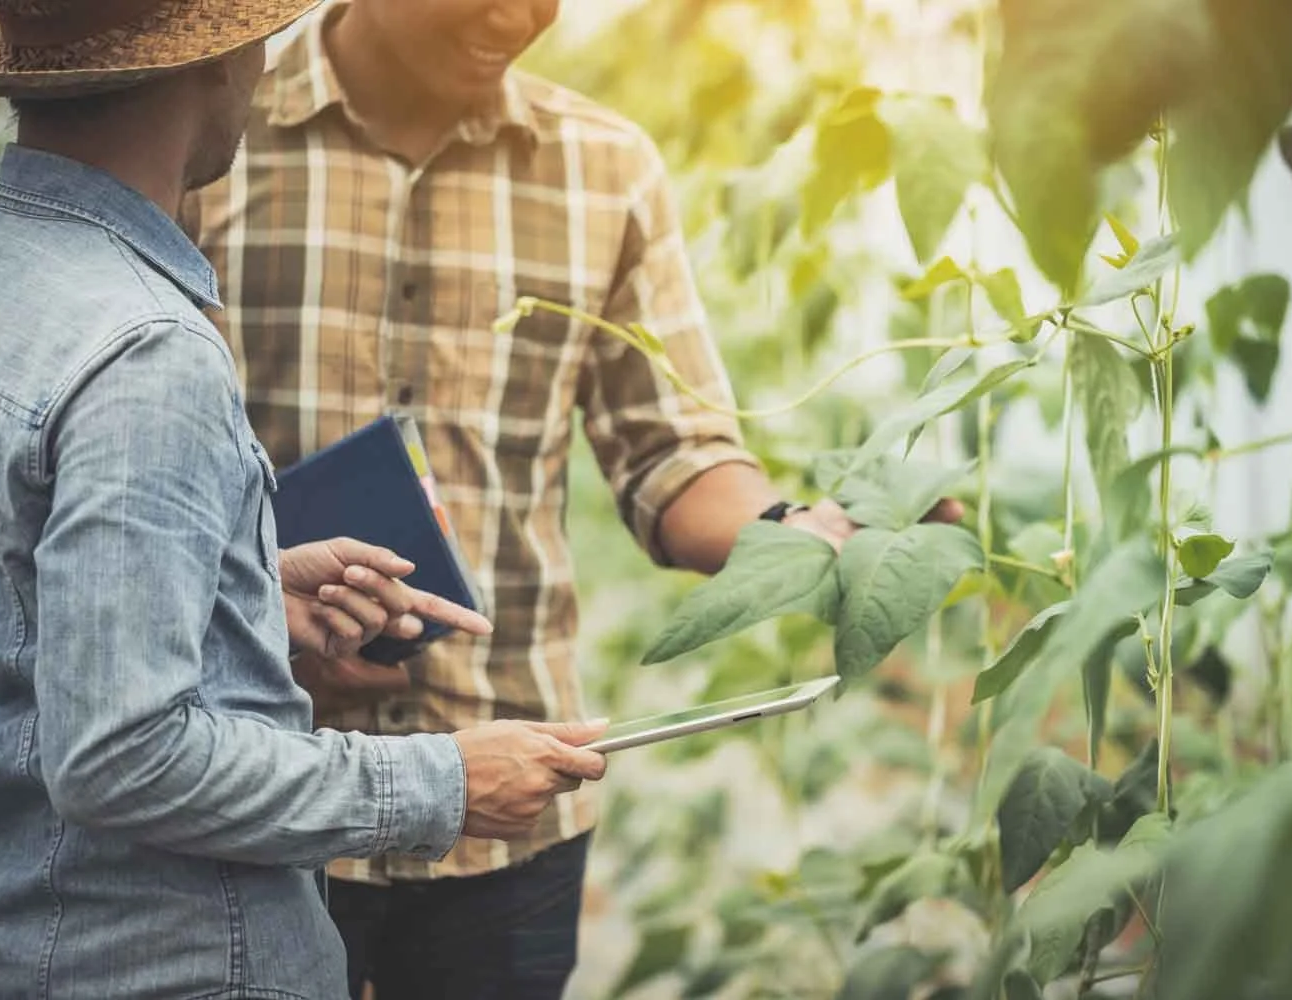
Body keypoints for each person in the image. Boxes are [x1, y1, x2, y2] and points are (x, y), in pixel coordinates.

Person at [186, 1, 962, 996]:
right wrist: (252, 627)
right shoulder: (214, 128)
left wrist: (794, 533)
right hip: (268, 792)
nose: (518, 16)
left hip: (508, 811)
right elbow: (142, 465)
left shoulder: (605, 168)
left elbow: (672, 455)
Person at [0, 1, 608, 997]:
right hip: (174, 964)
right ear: (217, 61)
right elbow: (123, 757)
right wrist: (441, 781)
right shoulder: (146, 351)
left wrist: (236, 590)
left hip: (7, 943)